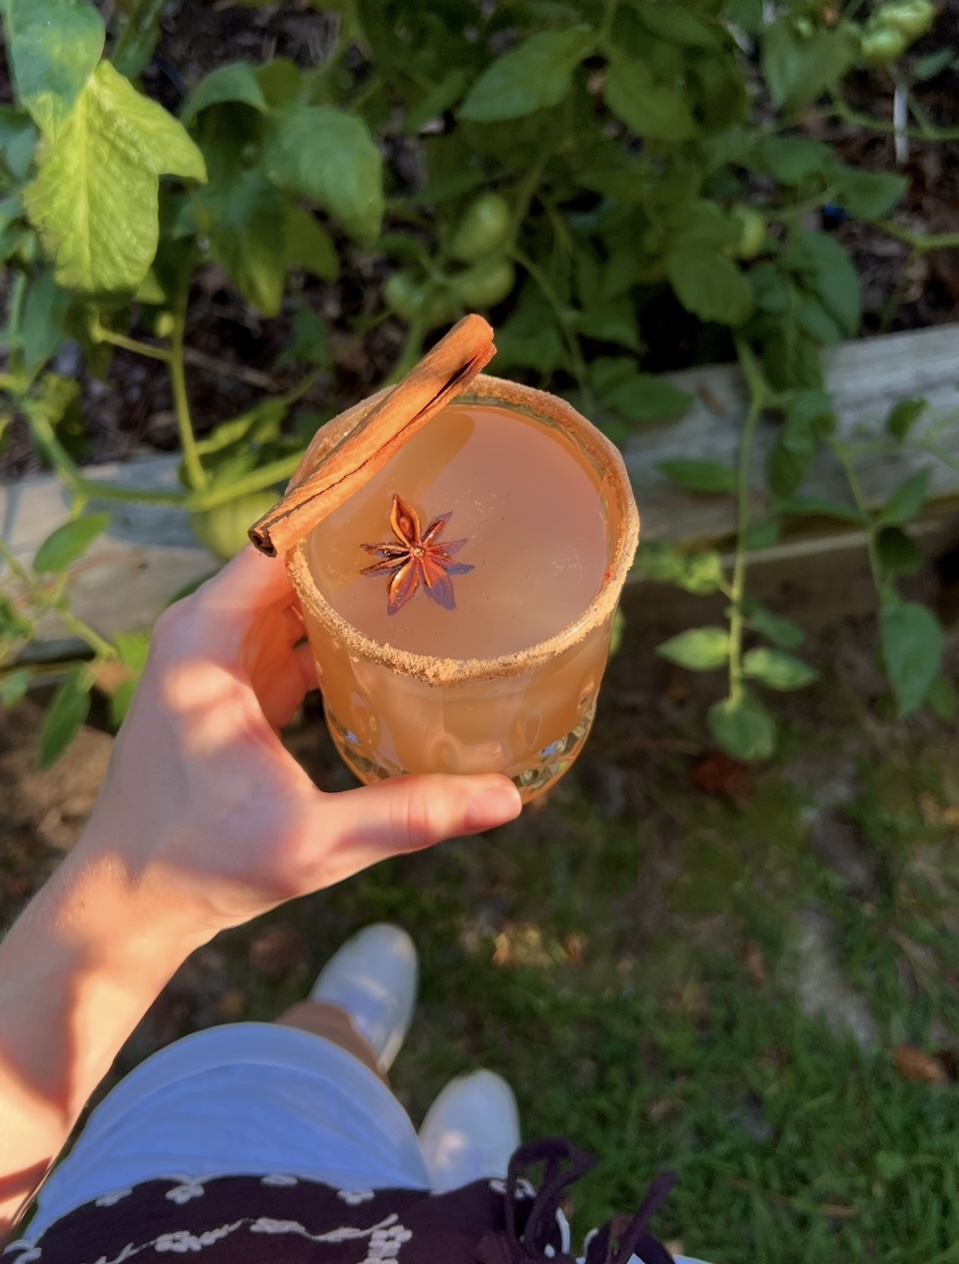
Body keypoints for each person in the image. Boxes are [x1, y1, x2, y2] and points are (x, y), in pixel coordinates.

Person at [0, 548, 693, 1264]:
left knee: (309, 1059)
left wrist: (140, 895)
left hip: (179, 1206)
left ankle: (347, 1044)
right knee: (341, 1097)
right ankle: (478, 1194)